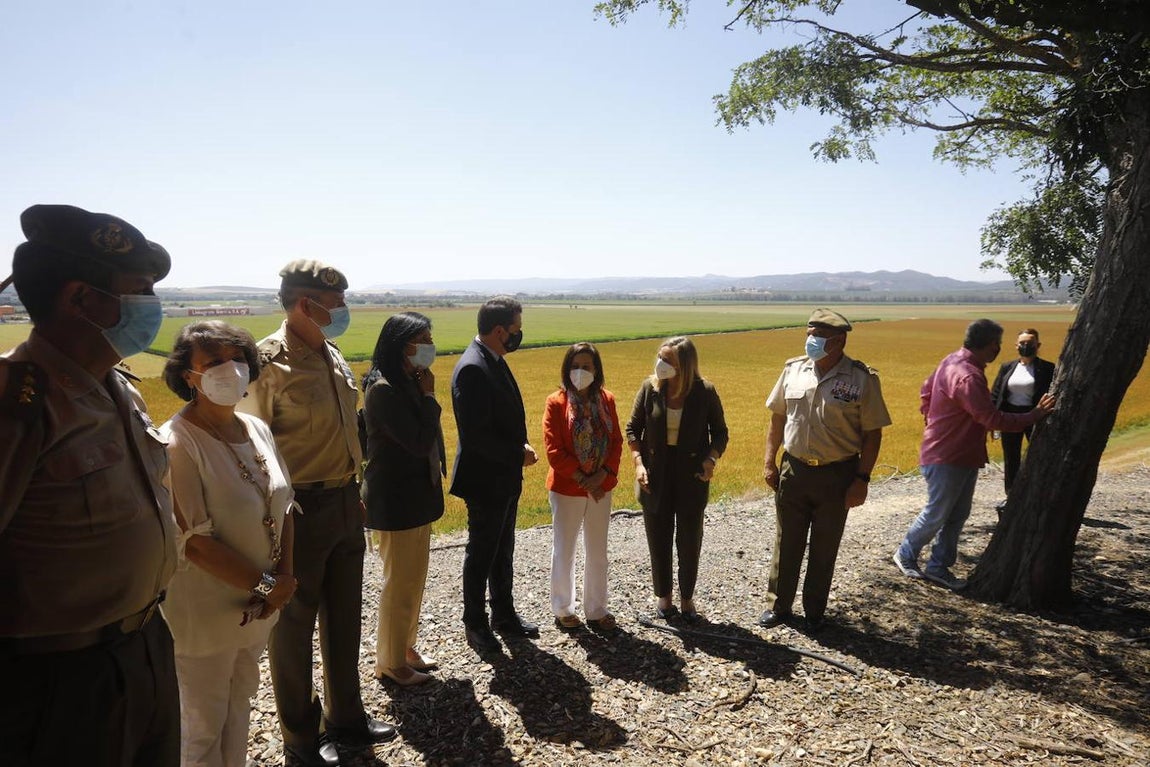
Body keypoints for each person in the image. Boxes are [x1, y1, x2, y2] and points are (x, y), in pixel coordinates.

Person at [0, 204, 180, 766]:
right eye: (141, 289)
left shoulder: (115, 385)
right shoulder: (18, 403)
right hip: (59, 680)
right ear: (81, 299)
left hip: (146, 644)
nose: (153, 305)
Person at [237, 260, 394, 767]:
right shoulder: (265, 362)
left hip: (346, 501)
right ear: (307, 304)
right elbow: (252, 453)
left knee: (346, 616)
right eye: (337, 303)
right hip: (298, 509)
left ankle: (346, 716)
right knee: (294, 627)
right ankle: (300, 738)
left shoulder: (333, 353)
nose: (343, 311)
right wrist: (272, 525)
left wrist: (354, 490)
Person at [160, 321, 299, 767]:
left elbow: (285, 506)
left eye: (237, 358)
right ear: (189, 376)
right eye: (214, 362)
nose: (230, 370)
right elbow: (196, 544)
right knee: (202, 727)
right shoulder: (176, 441)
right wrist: (268, 586)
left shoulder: (257, 428)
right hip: (204, 611)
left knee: (239, 707)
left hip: (258, 604)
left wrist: (284, 579)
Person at [893, 319, 1056, 590]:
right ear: (992, 346)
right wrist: (1035, 415)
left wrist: (934, 422)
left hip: (961, 453)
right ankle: (906, 553)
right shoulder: (968, 375)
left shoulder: (951, 361)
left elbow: (925, 392)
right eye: (998, 345)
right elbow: (990, 418)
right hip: (949, 455)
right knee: (938, 512)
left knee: (957, 514)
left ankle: (938, 566)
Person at [758, 309, 891, 632]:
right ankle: (779, 606)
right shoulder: (793, 370)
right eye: (808, 334)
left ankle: (815, 611)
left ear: (839, 340)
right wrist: (769, 461)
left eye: (816, 337)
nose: (810, 341)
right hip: (794, 469)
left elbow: (873, 433)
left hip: (838, 474)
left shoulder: (861, 379)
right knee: (786, 540)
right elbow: (778, 417)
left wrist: (862, 479)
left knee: (824, 545)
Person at [450, 296, 540, 654]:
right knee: (482, 552)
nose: (519, 335)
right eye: (516, 329)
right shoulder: (473, 367)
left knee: (503, 549)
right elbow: (476, 435)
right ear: (500, 330)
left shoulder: (493, 359)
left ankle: (504, 615)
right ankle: (475, 624)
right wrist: (516, 453)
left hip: (503, 478)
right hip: (486, 480)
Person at [361, 312, 445, 686]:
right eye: (422, 338)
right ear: (401, 344)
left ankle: (405, 649)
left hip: (416, 498)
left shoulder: (408, 380)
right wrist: (429, 398)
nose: (428, 345)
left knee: (414, 580)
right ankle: (390, 663)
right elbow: (418, 441)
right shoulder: (383, 389)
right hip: (395, 501)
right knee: (399, 584)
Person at [627, 336, 728, 622]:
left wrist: (710, 459)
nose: (661, 364)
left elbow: (720, 432)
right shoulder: (650, 388)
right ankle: (664, 598)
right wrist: (638, 463)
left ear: (684, 365)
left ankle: (686, 599)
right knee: (658, 538)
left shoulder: (704, 392)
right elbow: (633, 429)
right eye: (659, 357)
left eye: (667, 360)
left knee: (689, 539)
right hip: (655, 474)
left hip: (691, 475)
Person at [542, 342, 624, 633]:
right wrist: (583, 478)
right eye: (575, 366)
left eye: (586, 366)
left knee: (597, 550)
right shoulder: (556, 402)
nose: (580, 371)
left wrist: (601, 475)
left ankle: (596, 609)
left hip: (601, 487)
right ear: (567, 370)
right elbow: (554, 450)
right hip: (568, 489)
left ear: (596, 369)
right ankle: (563, 608)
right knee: (564, 549)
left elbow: (616, 442)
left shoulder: (607, 400)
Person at [990, 328, 1055, 505]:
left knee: (1038, 455)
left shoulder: (1047, 368)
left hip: (1036, 417)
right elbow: (996, 393)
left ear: (1038, 345)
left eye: (1030, 343)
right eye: (1022, 343)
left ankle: (1039, 494)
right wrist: (992, 420)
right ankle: (1012, 495)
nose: (1026, 346)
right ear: (1016, 345)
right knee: (1011, 457)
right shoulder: (1007, 367)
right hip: (1009, 416)